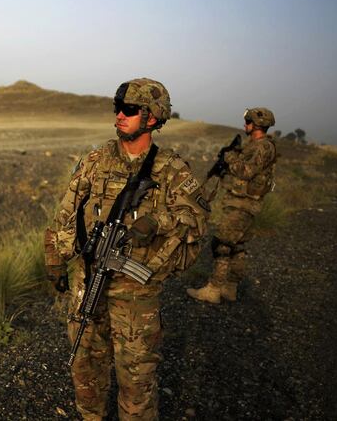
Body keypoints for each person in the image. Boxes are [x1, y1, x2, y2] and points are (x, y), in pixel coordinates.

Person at [44, 78, 208, 420]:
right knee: (85, 370)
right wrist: (56, 258)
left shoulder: (172, 169)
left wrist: (156, 223)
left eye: (130, 110)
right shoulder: (96, 160)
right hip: (88, 280)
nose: (120, 115)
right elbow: (67, 209)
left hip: (136, 292)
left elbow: (196, 219)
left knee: (136, 382)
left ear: (152, 117)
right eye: (118, 108)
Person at [187, 107, 277, 304]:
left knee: (222, 245)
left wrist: (229, 158)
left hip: (243, 204)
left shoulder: (263, 147)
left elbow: (246, 172)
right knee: (237, 246)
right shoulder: (256, 146)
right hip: (241, 202)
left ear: (256, 125)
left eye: (248, 122)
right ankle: (230, 287)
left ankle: (213, 289)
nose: (245, 125)